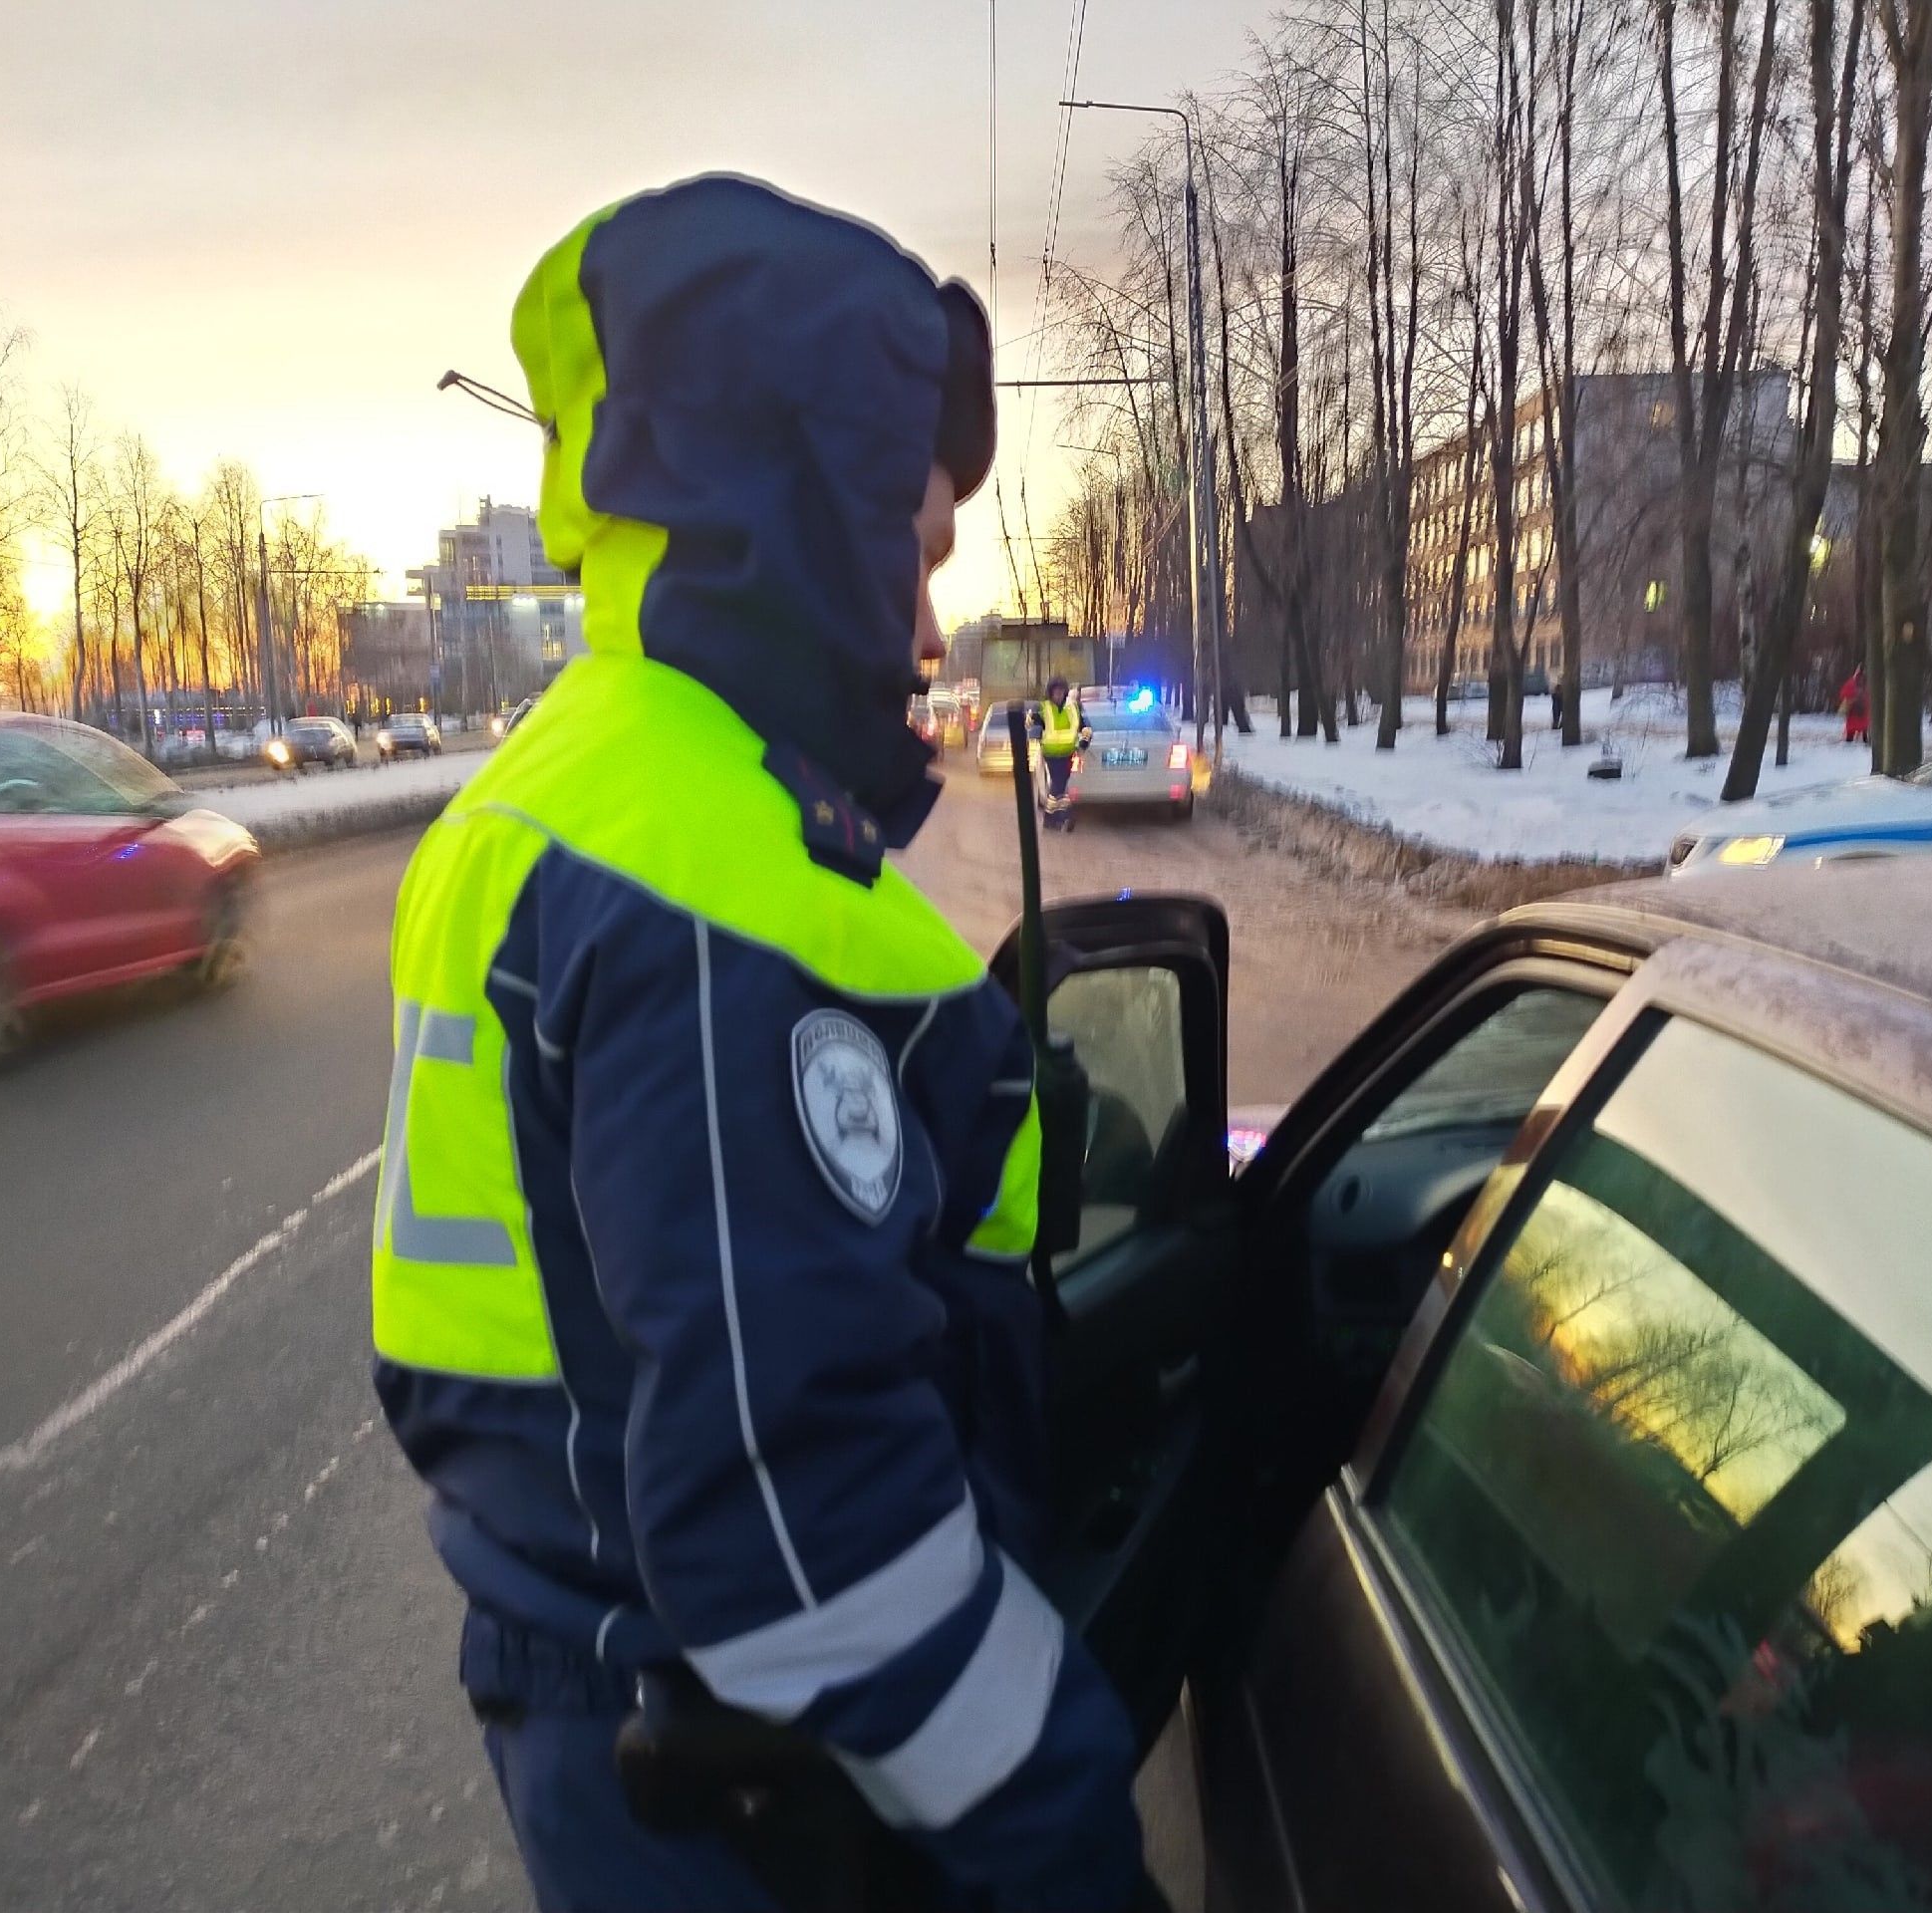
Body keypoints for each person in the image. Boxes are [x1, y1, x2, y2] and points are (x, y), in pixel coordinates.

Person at [370, 177, 1156, 1913]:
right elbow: (807, 1540)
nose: (933, 630)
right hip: (751, 1793)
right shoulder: (713, 883)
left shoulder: (568, 790)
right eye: (917, 548)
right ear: (799, 519)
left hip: (597, 1685)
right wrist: (1075, 1839)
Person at [1026, 678, 1087, 830]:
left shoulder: (1073, 708)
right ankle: (1061, 815)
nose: (1058, 695)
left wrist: (1084, 741)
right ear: (1051, 693)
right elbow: (1032, 723)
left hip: (1068, 753)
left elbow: (1084, 727)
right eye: (1055, 692)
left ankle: (1056, 817)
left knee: (1060, 785)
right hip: (1051, 753)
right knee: (1058, 784)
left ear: (1065, 692)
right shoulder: (1044, 707)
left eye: (1061, 692)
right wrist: (1030, 719)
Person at [1839, 666, 1869, 744]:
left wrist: (1851, 699)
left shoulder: (1852, 682)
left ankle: (1849, 741)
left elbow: (1843, 694)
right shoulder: (1868, 683)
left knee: (1852, 727)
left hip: (1854, 709)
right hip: (1863, 709)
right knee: (1864, 725)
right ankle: (1865, 740)